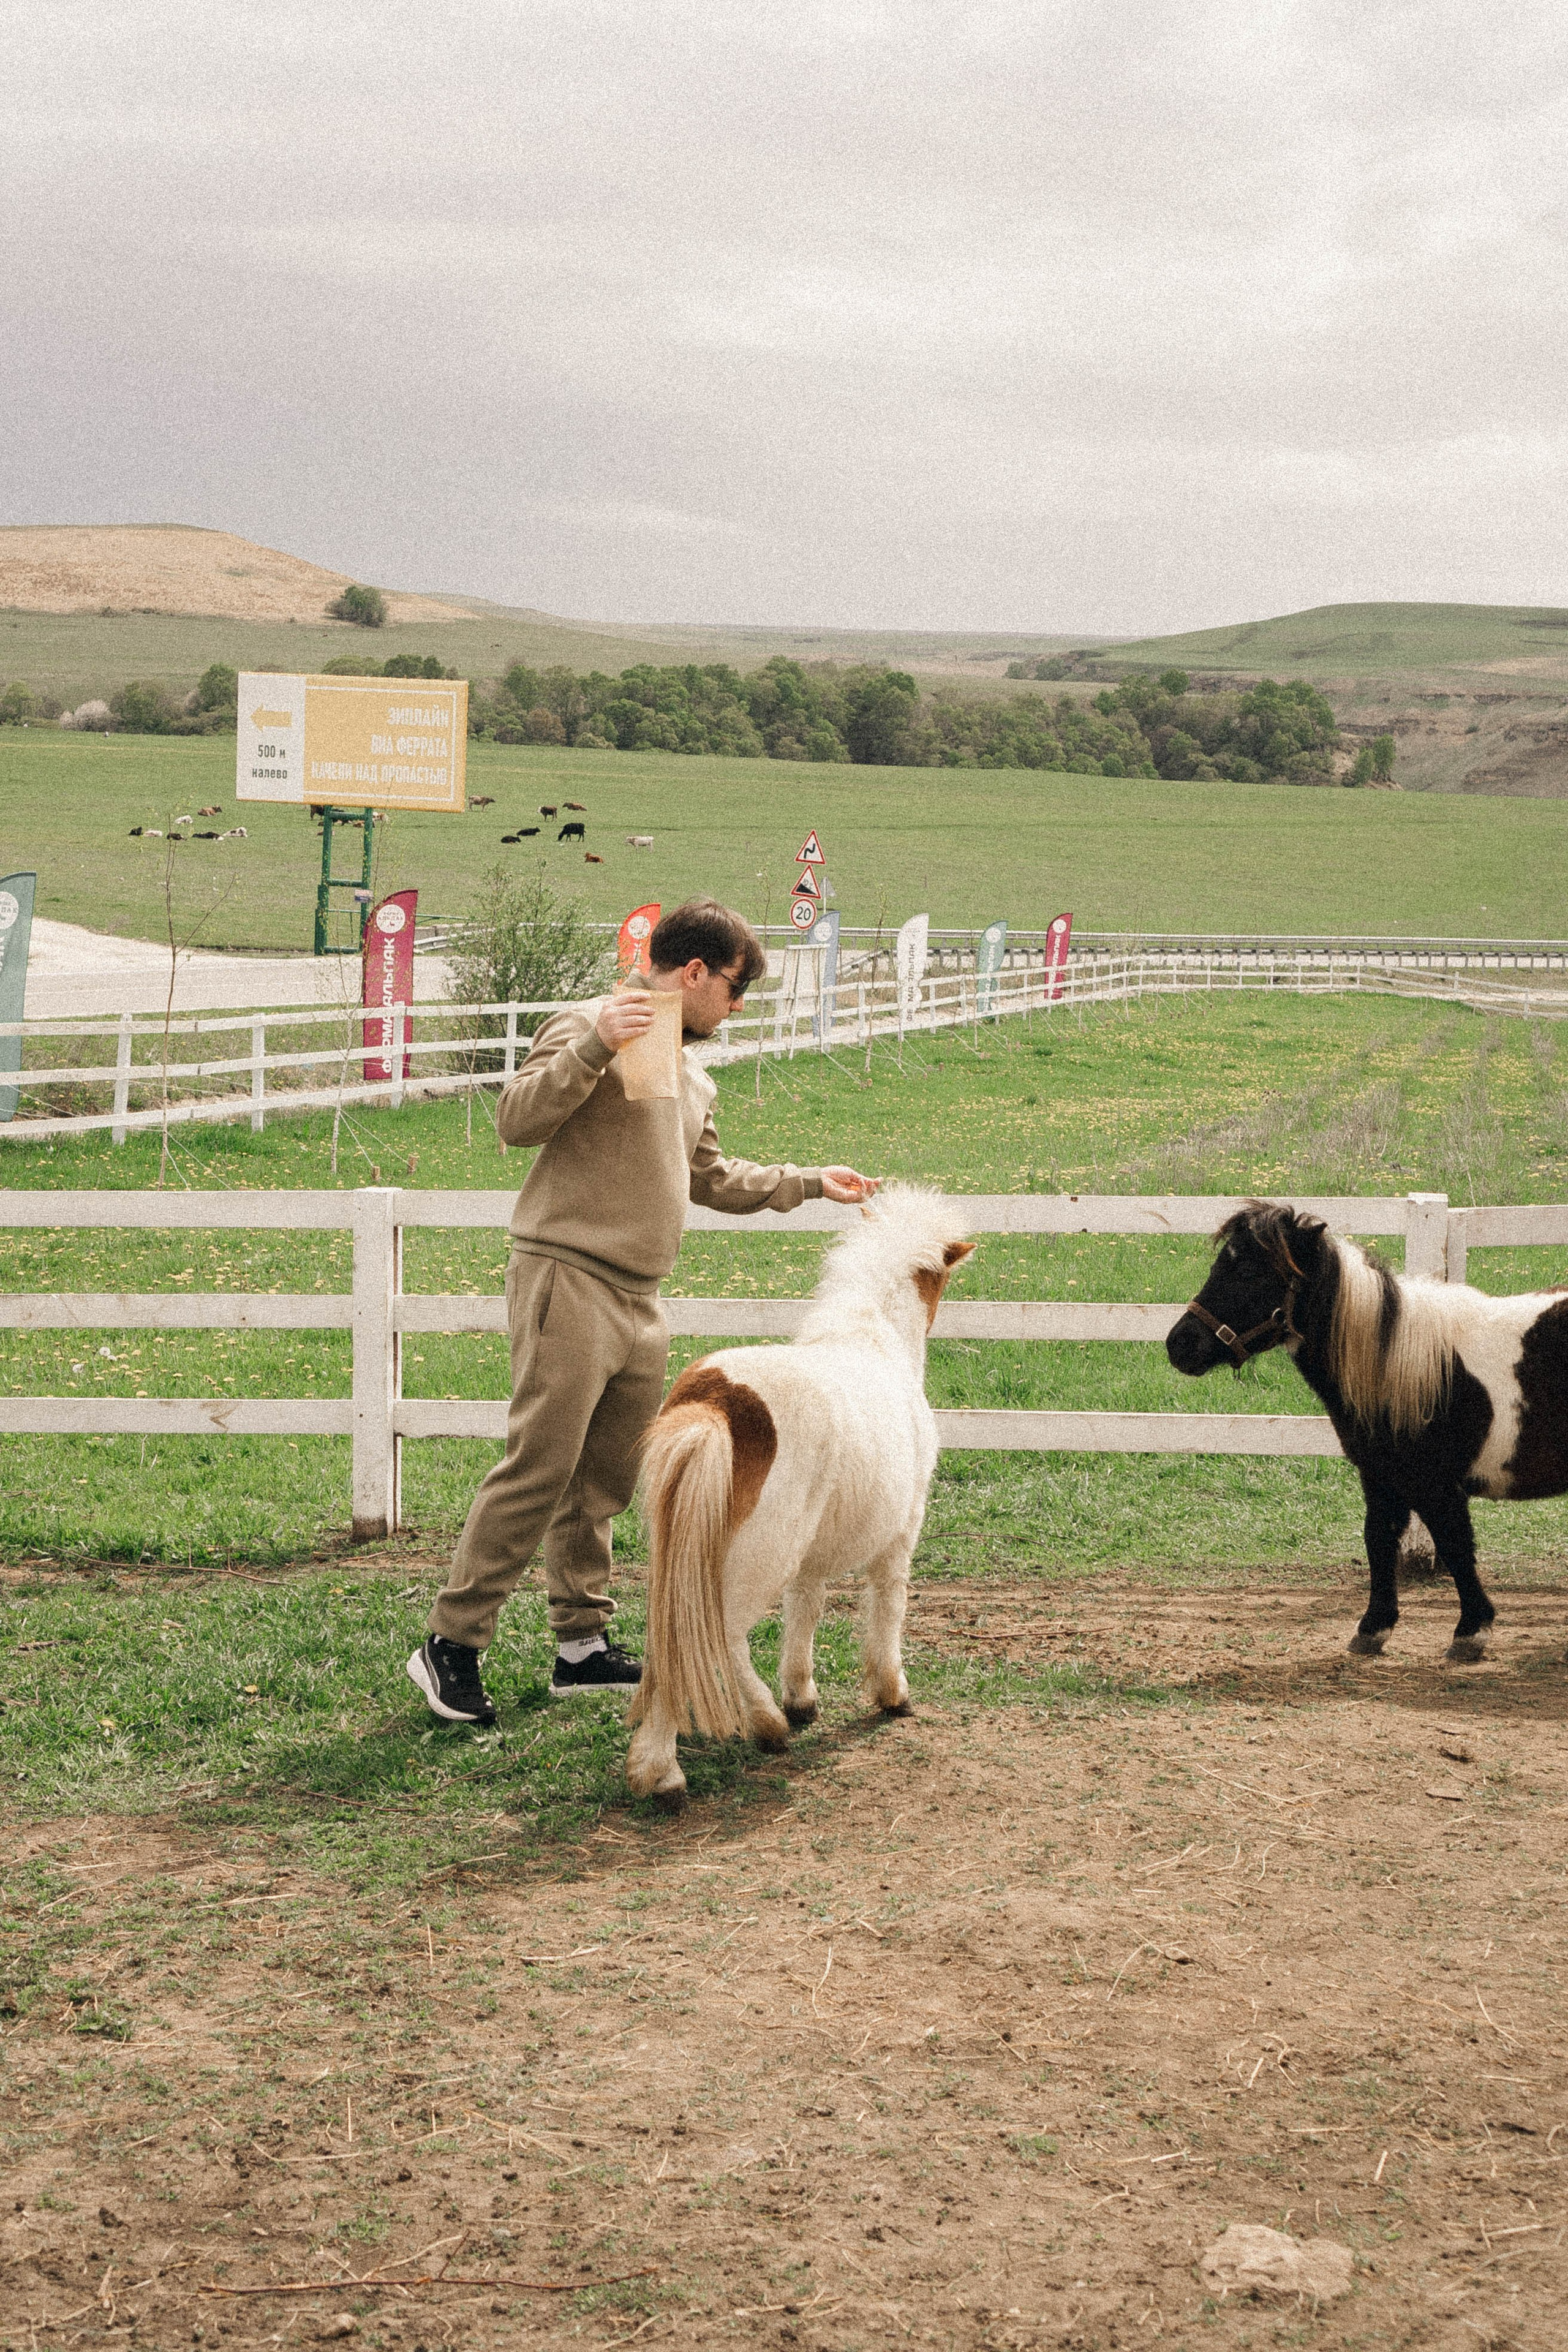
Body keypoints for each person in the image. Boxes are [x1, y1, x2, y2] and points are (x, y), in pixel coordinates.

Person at [407, 897, 879, 1721]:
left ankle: (581, 1647)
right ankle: (451, 1644)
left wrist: (809, 1183)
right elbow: (516, 1120)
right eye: (735, 990)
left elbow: (711, 1176)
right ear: (694, 971)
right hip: (570, 1279)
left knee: (605, 1481)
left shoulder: (691, 1066)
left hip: (640, 1298)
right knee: (539, 1468)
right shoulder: (594, 1021)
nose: (737, 1009)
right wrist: (597, 1044)